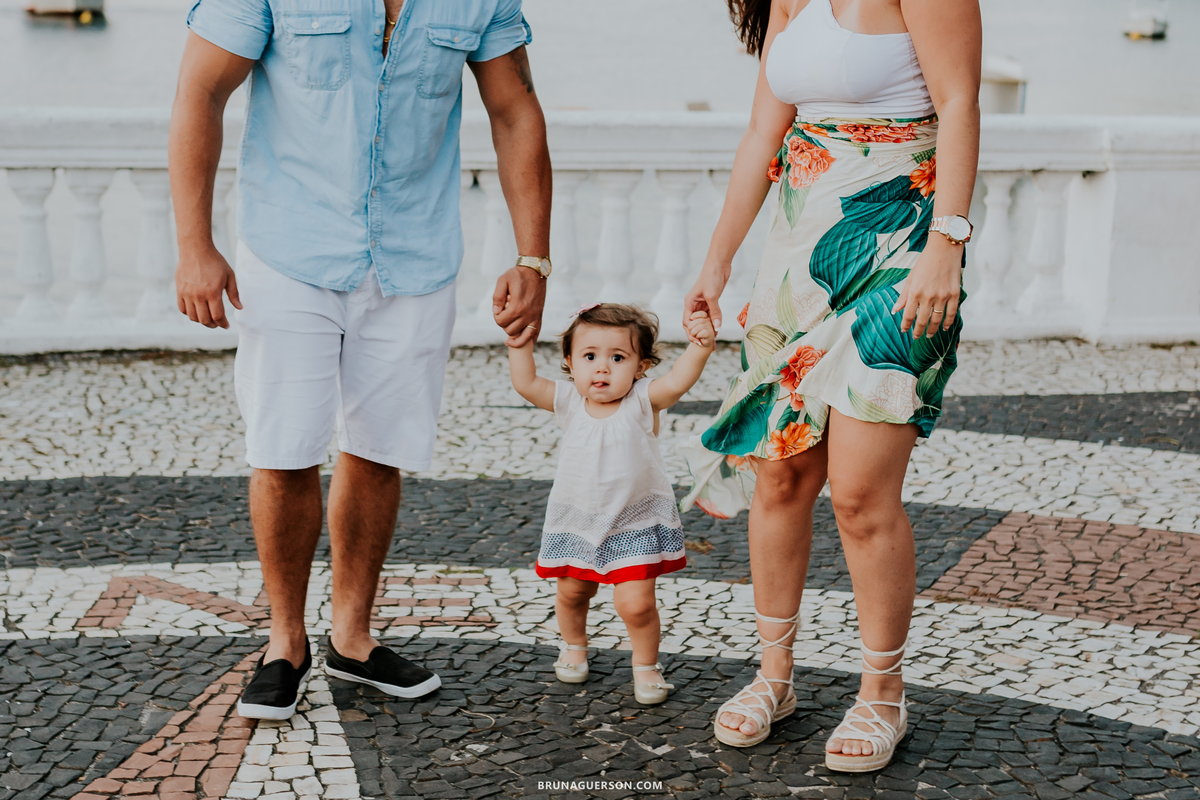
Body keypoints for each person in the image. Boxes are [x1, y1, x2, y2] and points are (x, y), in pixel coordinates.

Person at [169, 0, 552, 720]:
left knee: (379, 449)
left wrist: (534, 256)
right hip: (288, 248)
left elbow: (515, 109)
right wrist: (195, 245)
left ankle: (351, 636)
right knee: (284, 449)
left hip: (416, 254)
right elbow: (201, 89)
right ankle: (284, 642)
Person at [679, 0, 981, 772]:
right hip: (797, 255)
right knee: (779, 474)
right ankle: (774, 676)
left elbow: (958, 104)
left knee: (858, 493)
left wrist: (947, 244)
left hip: (900, 246)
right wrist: (716, 263)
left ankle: (883, 693)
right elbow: (763, 133)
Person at [507, 304, 716, 705]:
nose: (602, 368)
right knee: (573, 593)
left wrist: (700, 348)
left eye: (618, 358)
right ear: (570, 362)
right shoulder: (568, 400)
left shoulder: (643, 400)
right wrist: (519, 347)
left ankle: (646, 666)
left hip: (633, 523)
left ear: (641, 367)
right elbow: (527, 383)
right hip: (578, 522)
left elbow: (677, 382)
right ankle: (574, 646)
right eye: (589, 356)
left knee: (636, 605)